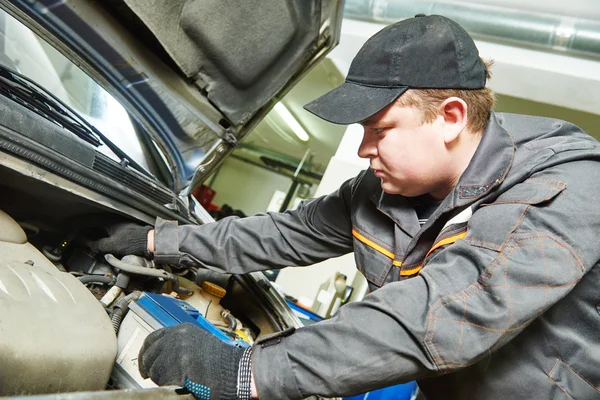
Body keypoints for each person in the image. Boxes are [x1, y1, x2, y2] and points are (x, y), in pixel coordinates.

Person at [93, 14, 600, 400]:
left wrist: (246, 373)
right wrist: (158, 241)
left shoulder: (564, 187)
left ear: (449, 117)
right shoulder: (378, 193)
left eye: (378, 130)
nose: (363, 149)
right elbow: (281, 233)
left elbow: (445, 313)